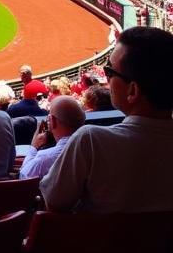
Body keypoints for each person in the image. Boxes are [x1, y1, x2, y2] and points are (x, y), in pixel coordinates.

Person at [42, 27, 173, 212]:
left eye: (109, 72)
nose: (106, 79)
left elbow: (53, 204)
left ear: (133, 91)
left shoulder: (91, 141)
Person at [19, 96, 85, 181]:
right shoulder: (96, 146)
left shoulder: (44, 158)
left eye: (48, 117)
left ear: (52, 121)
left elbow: (23, 177)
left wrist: (34, 146)